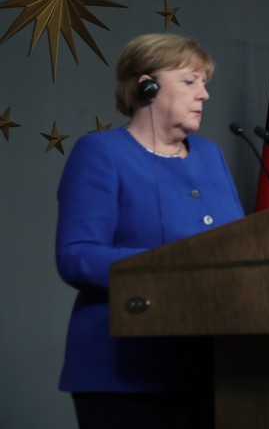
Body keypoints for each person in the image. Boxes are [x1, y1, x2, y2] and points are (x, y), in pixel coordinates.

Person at [55, 33, 244, 429]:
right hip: (122, 373)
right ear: (147, 87)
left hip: (212, 367)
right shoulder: (101, 151)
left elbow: (236, 245)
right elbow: (76, 256)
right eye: (191, 81)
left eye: (204, 83)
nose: (204, 94)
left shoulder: (210, 156)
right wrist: (172, 267)